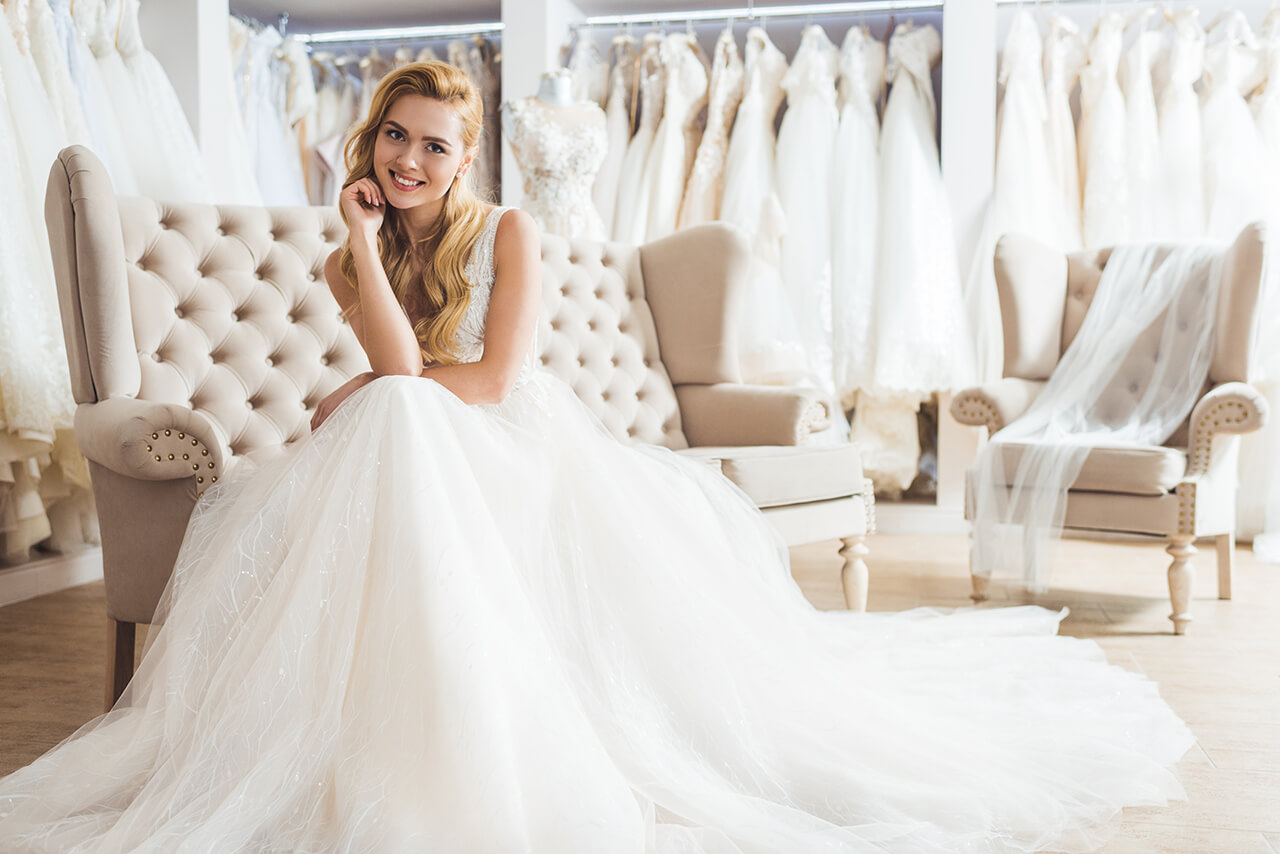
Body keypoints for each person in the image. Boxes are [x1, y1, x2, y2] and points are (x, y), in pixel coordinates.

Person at [0, 61, 1192, 853]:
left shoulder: (506, 229)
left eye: (438, 148)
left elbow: (487, 380)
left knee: (394, 412)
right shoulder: (351, 247)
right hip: (421, 439)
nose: (413, 161)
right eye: (397, 140)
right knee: (388, 418)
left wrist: (380, 381)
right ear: (371, 143)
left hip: (509, 442)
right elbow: (395, 365)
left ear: (466, 161)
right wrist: (358, 243)